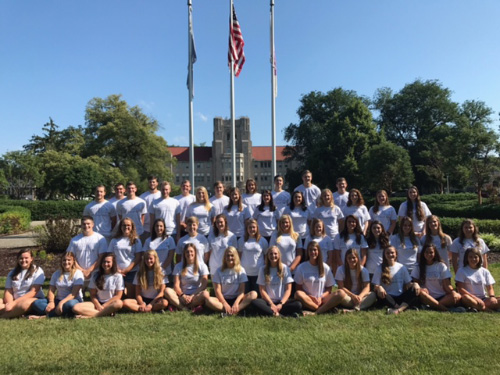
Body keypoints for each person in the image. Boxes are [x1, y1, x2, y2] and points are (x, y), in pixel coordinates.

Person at [205, 247, 257, 316]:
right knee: (208, 300)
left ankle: (236, 309)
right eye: (228, 255)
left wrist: (236, 303)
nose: (230, 257)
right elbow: (217, 291)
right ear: (225, 257)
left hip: (237, 299)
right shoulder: (219, 271)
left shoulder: (241, 270)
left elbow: (242, 291)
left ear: (235, 256)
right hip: (223, 299)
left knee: (254, 294)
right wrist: (224, 303)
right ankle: (232, 310)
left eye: (232, 255)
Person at [252, 246, 302, 317]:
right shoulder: (262, 269)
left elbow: (288, 289)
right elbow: (262, 290)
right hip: (268, 302)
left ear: (279, 255)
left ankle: (272, 313)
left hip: (282, 302)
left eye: (275, 254)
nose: (273, 256)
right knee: (255, 302)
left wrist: (281, 304)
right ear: (268, 256)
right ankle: (281, 315)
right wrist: (271, 304)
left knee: (298, 305)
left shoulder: (285, 268)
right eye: (271, 254)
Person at [31, 252, 84, 318]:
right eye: (64, 260)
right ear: (61, 261)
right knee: (37, 303)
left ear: (73, 261)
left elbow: (74, 294)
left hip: (73, 300)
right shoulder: (56, 274)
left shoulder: (78, 273)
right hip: (58, 300)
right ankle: (63, 312)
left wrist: (61, 303)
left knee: (69, 305)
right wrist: (51, 302)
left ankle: (46, 316)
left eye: (69, 260)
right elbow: (51, 291)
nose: (66, 262)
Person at [411, 244, 461, 311]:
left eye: (431, 252)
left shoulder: (441, 266)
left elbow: (447, 285)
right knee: (421, 293)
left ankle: (432, 306)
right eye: (426, 252)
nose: (429, 254)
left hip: (442, 296)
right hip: (427, 296)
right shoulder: (418, 267)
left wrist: (453, 292)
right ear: (423, 253)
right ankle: (445, 309)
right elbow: (416, 283)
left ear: (435, 253)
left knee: (458, 296)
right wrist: (421, 289)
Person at [72, 253, 124, 318]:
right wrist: (98, 305)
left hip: (111, 303)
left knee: (119, 303)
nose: (105, 264)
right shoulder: (95, 275)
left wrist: (104, 306)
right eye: (104, 262)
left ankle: (90, 316)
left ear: (113, 263)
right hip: (97, 303)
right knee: (76, 308)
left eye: (108, 262)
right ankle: (105, 313)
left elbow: (118, 295)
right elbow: (92, 294)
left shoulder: (118, 276)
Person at [372, 246, 420, 315]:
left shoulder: (401, 267)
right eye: (387, 253)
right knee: (379, 293)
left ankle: (398, 309)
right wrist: (379, 287)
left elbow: (408, 283)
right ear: (384, 255)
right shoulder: (379, 268)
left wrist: (415, 284)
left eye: (392, 253)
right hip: (387, 296)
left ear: (396, 254)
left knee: (414, 289)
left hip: (400, 296)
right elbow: (375, 285)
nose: (390, 255)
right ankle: (402, 308)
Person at [0, 249, 45, 319]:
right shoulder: (12, 273)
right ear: (18, 260)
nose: (23, 260)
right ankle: (16, 313)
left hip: (32, 299)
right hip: (14, 300)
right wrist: (9, 303)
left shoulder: (37, 270)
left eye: (26, 258)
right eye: (21, 258)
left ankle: (3, 317)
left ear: (31, 259)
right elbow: (8, 291)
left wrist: (13, 304)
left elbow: (33, 292)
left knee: (24, 304)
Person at [294, 241, 336, 314]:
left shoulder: (325, 267)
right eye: (310, 250)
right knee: (297, 294)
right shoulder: (301, 267)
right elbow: (298, 288)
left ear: (319, 251)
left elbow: (329, 288)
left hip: (322, 299)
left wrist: (321, 297)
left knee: (340, 293)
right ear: (307, 252)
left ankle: (317, 309)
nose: (313, 252)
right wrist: (309, 297)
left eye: (315, 250)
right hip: (308, 299)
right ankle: (320, 309)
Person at [165, 243, 210, 312]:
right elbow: (176, 285)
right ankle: (186, 308)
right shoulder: (178, 266)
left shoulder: (202, 266)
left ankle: (179, 306)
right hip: (182, 295)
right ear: (184, 254)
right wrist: (182, 295)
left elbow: (204, 284)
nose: (189, 253)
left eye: (191, 251)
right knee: (167, 290)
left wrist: (192, 296)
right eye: (187, 252)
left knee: (206, 294)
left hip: (196, 295)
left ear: (195, 253)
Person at [107, 218, 143, 298]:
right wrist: (117, 269)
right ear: (120, 227)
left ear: (132, 227)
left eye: (128, 225)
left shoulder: (136, 240)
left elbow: (138, 257)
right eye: (124, 225)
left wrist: (127, 270)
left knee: (130, 296)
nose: (126, 227)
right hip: (116, 271)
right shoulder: (114, 240)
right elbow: (110, 256)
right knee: (119, 296)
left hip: (132, 271)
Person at [455, 247, 499, 312]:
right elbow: (460, 289)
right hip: (470, 298)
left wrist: (492, 297)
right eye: (470, 257)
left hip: (484, 299)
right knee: (465, 298)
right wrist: (475, 298)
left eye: (476, 257)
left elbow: (490, 288)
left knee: (496, 300)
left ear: (479, 258)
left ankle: (476, 308)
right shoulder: (461, 270)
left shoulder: (484, 271)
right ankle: (486, 310)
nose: (473, 259)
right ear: (467, 258)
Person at [66, 216, 108, 282]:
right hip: (78, 273)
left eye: (88, 224)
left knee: (94, 292)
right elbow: (70, 257)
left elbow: (102, 257)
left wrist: (90, 270)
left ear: (93, 224)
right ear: (81, 225)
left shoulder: (100, 239)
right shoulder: (74, 240)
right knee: (77, 292)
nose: (86, 226)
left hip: (96, 272)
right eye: (84, 224)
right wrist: (81, 270)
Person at [238, 219, 269, 293]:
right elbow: (239, 256)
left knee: (257, 295)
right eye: (250, 227)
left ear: (257, 228)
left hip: (258, 273)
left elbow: (266, 256)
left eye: (253, 227)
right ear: (247, 229)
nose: (252, 229)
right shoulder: (242, 240)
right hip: (244, 273)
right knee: (245, 294)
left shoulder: (262, 240)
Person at [142, 218, 176, 283]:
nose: (158, 228)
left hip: (165, 271)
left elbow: (170, 256)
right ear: (154, 228)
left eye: (161, 226)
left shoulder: (169, 239)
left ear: (164, 227)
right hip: (151, 271)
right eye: (157, 226)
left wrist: (161, 268)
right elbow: (144, 256)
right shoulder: (148, 241)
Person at [139, 175, 161, 243]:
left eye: (153, 182)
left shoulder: (161, 195)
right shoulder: (143, 196)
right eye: (150, 182)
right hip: (145, 228)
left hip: (158, 227)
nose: (152, 184)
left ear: (157, 183)